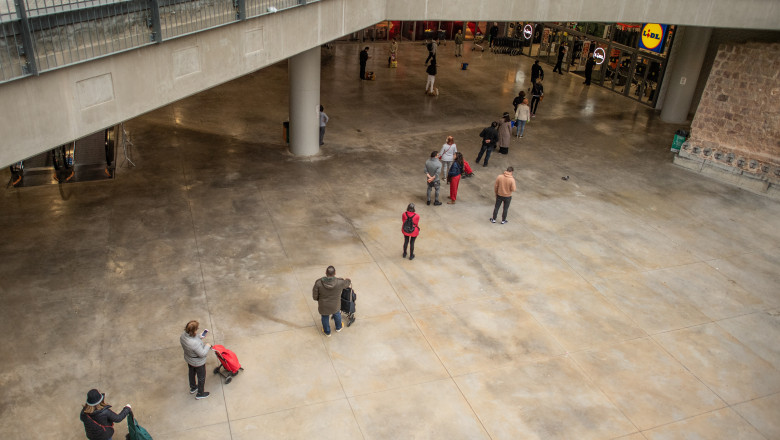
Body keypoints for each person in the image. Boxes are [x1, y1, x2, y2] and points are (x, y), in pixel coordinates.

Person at [312, 266, 351, 336]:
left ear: (326, 273)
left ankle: (327, 332)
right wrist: (348, 280)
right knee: (337, 314)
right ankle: (338, 327)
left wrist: (320, 300)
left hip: (323, 305)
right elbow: (347, 283)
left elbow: (315, 297)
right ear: (335, 273)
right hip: (335, 305)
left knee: (324, 317)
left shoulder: (318, 283)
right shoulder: (340, 282)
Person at [180, 320, 211, 399]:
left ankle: (193, 387)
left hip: (189, 359)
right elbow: (202, 354)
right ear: (194, 331)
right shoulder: (194, 343)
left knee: (191, 373)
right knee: (201, 377)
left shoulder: (183, 336)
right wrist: (207, 346)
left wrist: (199, 336)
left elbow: (192, 337)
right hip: (198, 362)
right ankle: (200, 393)